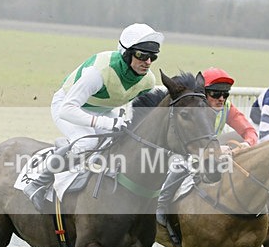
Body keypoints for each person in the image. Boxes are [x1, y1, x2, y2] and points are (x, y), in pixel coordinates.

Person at [23, 23, 164, 212]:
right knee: (87, 145)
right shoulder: (99, 72)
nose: (147, 61)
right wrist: (106, 123)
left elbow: (134, 109)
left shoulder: (148, 81)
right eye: (141, 55)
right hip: (68, 105)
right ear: (126, 53)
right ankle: (39, 182)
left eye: (152, 57)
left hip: (103, 110)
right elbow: (67, 110)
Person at [155, 67, 258, 227]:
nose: (221, 99)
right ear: (204, 93)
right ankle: (162, 203)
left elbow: (249, 131)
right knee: (180, 165)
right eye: (216, 94)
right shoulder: (193, 107)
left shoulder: (227, 108)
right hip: (183, 150)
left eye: (225, 94)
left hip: (207, 150)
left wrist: (245, 145)